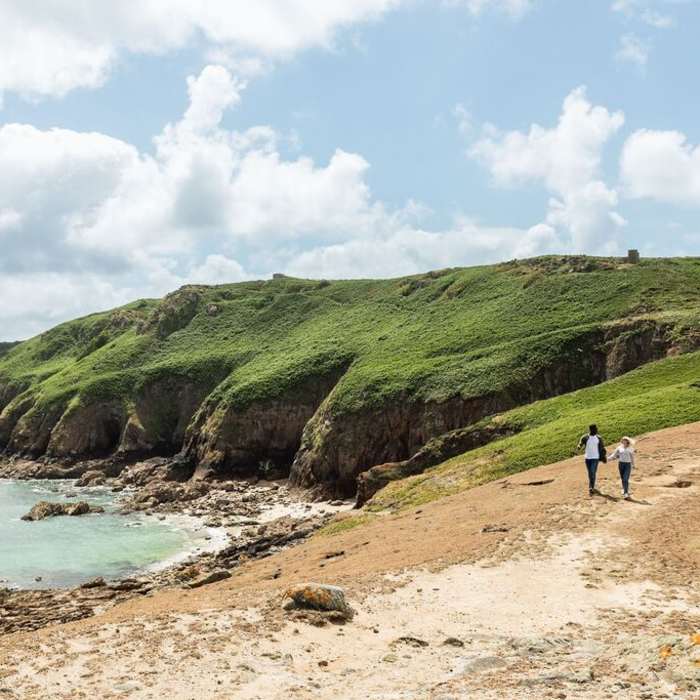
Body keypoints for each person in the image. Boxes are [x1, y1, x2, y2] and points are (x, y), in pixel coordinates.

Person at [577, 424, 606, 496]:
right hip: (587, 458)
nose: (596, 430)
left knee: (592, 472)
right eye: (595, 429)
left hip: (595, 458)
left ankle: (591, 487)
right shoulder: (585, 437)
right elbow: (581, 442)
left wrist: (603, 457)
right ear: (590, 430)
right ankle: (592, 485)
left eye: (596, 429)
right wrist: (579, 446)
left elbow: (602, 448)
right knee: (590, 473)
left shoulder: (599, 438)